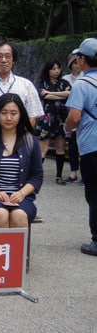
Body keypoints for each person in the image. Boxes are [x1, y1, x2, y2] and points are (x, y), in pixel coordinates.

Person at [0, 93, 43, 228]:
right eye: (4, 113)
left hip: (22, 197)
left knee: (18, 215)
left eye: (13, 113)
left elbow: (37, 175)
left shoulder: (30, 141)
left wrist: (21, 193)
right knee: (0, 214)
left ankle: (20, 244)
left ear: (20, 115)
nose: (8, 118)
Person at [64, 38, 97, 255]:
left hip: (92, 146)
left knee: (94, 194)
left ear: (82, 59)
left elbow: (74, 117)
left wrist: (67, 128)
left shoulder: (82, 85)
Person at [0, 40, 44, 137]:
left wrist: (21, 140)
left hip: (19, 139)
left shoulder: (26, 85)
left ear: (13, 60)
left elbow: (32, 116)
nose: (3, 60)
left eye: (8, 56)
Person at [34, 59, 71, 184]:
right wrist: (60, 94)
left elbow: (70, 94)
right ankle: (36, 175)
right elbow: (44, 96)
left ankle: (59, 176)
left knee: (60, 147)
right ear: (48, 70)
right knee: (43, 148)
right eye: (53, 69)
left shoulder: (64, 82)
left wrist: (50, 93)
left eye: (58, 68)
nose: (56, 71)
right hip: (46, 118)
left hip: (61, 118)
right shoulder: (41, 82)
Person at [62, 53, 83, 184]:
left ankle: (86, 174)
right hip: (69, 114)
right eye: (74, 63)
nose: (77, 65)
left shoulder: (86, 78)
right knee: (72, 145)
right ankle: (73, 172)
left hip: (84, 116)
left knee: (84, 146)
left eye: (78, 62)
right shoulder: (65, 79)